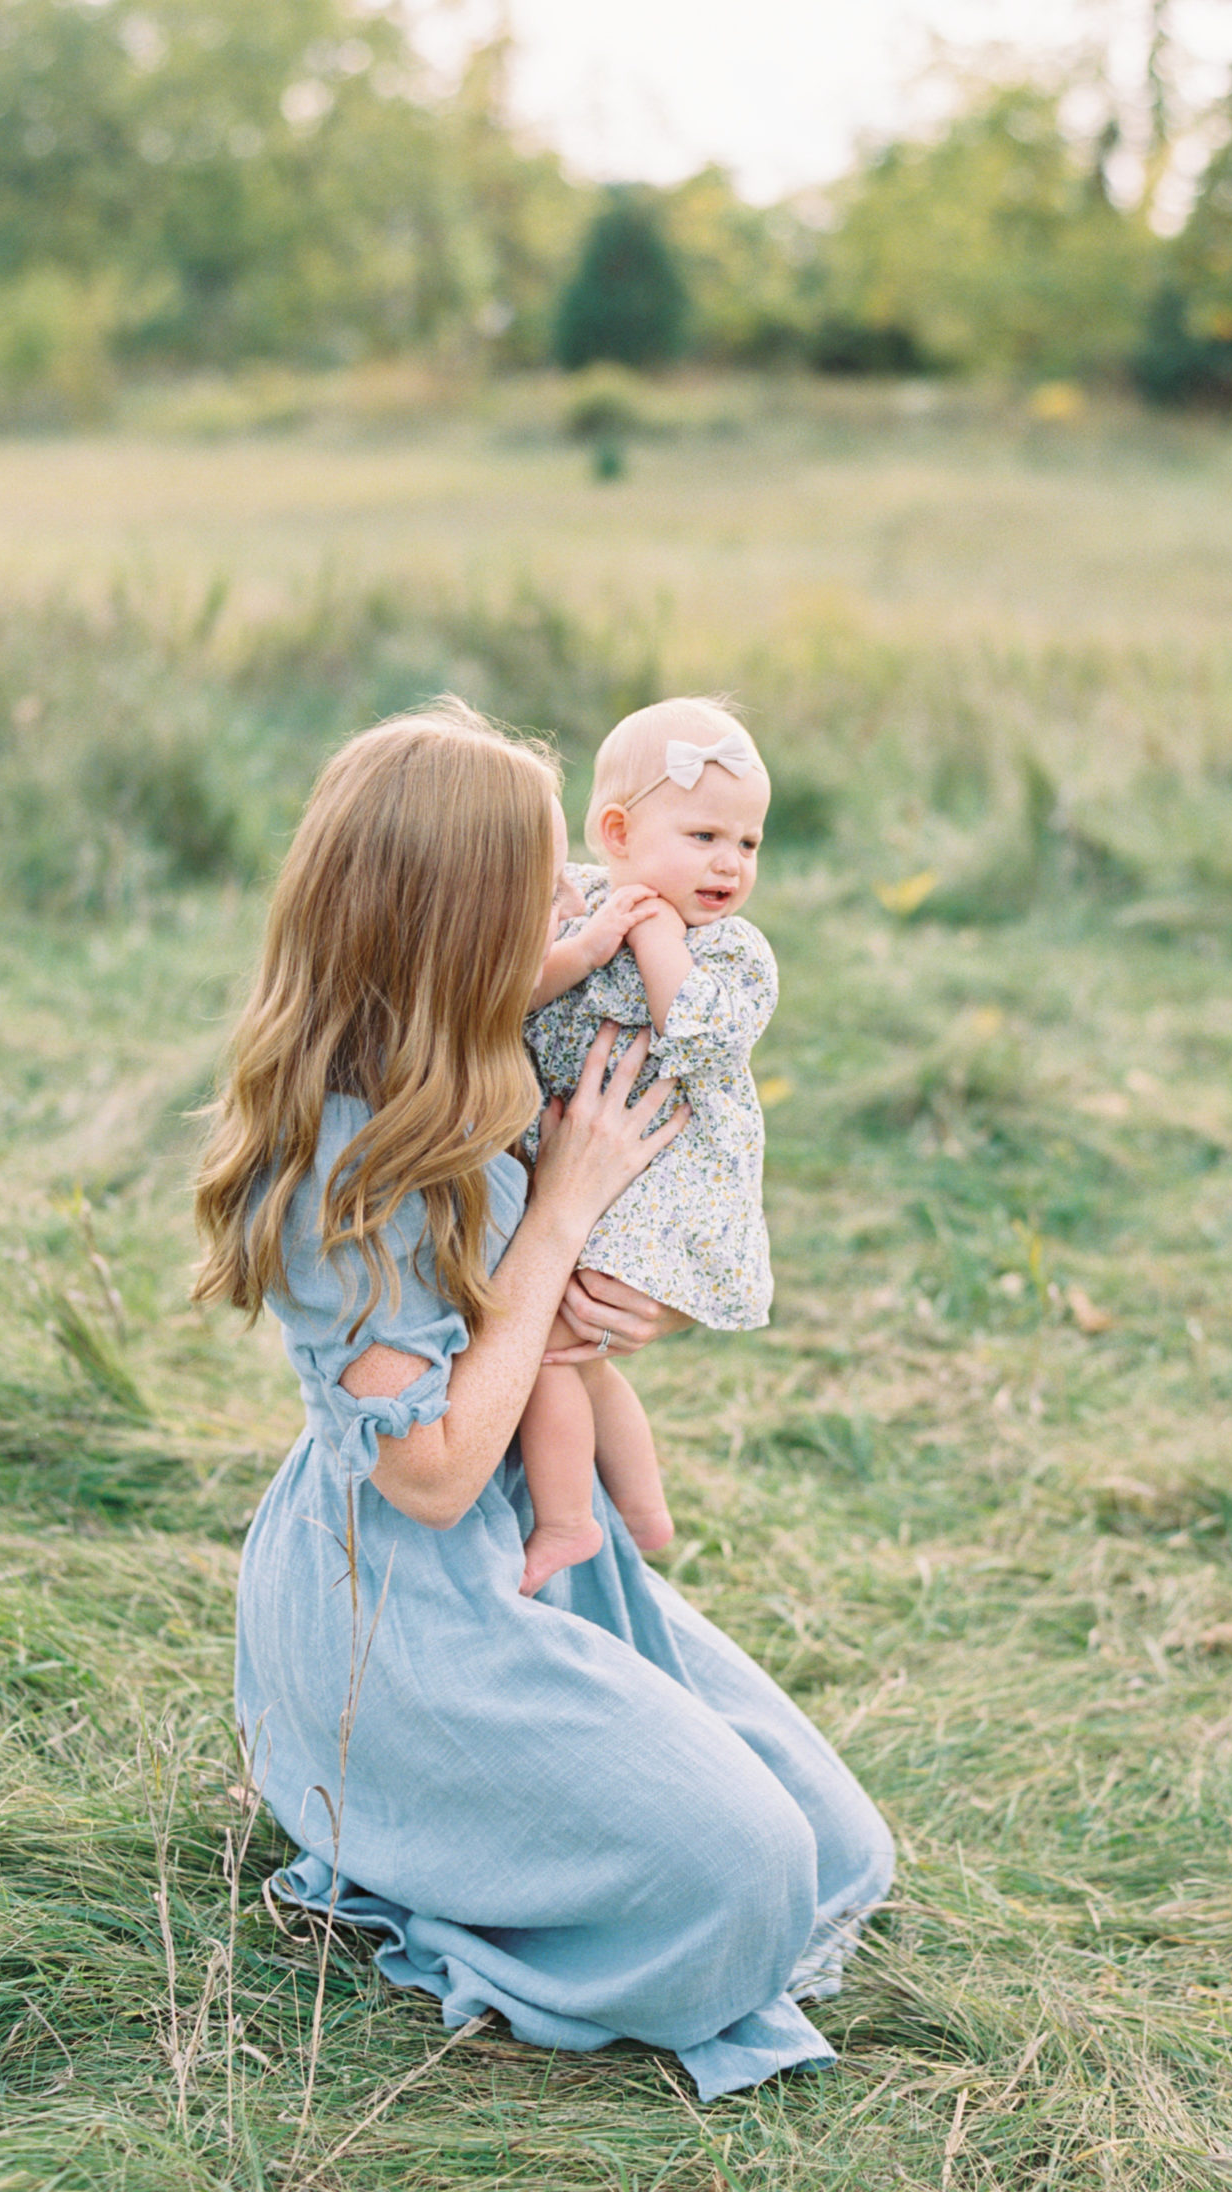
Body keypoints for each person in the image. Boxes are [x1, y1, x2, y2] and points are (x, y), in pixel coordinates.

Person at [194, 699, 892, 2100]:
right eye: (536, 891)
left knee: (837, 1852)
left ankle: (541, 1820)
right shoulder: (336, 1167)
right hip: (407, 1609)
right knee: (746, 1881)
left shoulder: (494, 1044)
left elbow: (558, 1296)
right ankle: (391, 1824)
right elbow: (434, 1473)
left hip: (533, 1544)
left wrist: (626, 1300)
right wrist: (563, 1213)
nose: (568, 907)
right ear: (450, 922)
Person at [517, 698, 775, 1595]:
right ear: (618, 833)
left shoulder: (731, 953)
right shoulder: (578, 901)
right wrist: (593, 940)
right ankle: (644, 1510)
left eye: (748, 843)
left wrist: (659, 934)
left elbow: (701, 1039)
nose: (730, 863)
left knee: (545, 1344)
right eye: (704, 836)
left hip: (665, 1185)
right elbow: (513, 992)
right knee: (579, 1360)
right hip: (576, 1166)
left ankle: (567, 1522)